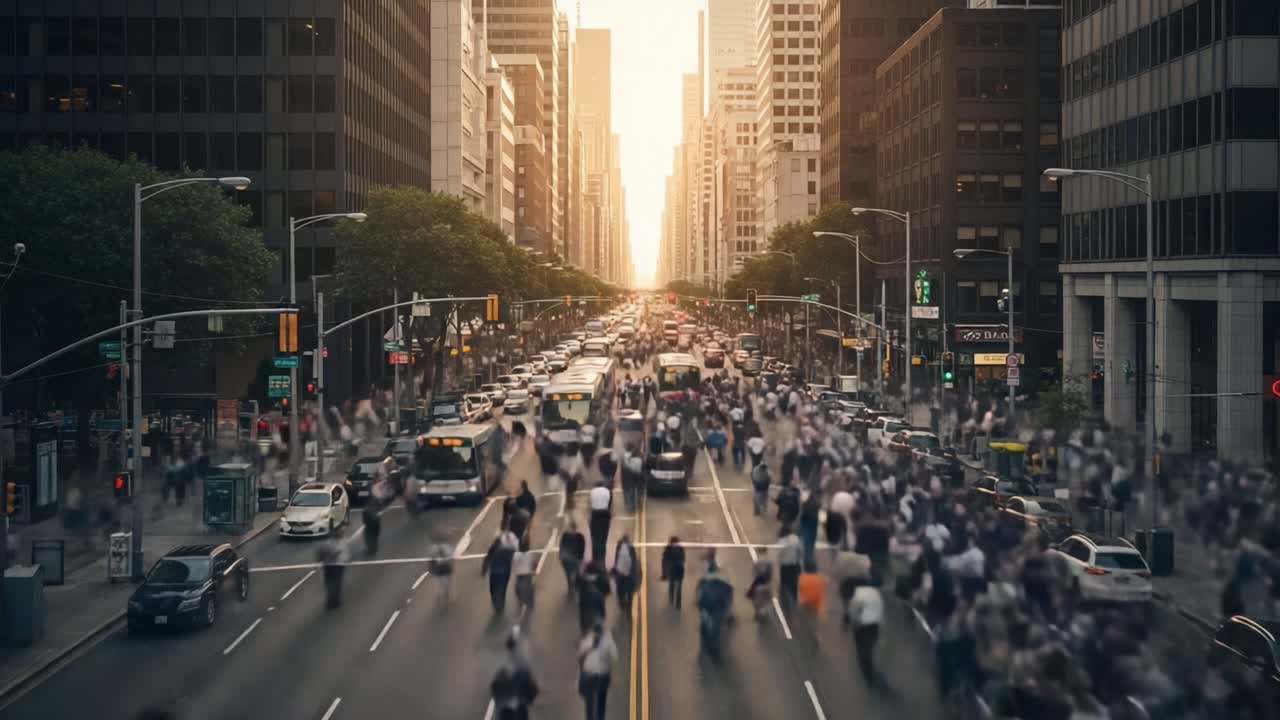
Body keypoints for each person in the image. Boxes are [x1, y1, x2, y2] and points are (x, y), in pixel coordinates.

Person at [490, 629, 539, 720]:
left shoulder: (500, 663)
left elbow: (494, 687)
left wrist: (499, 698)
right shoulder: (523, 664)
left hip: (504, 707)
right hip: (519, 707)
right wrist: (528, 699)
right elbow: (532, 688)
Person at [577, 622, 618, 720]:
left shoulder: (588, 638)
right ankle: (600, 718)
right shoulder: (607, 640)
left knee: (589, 703)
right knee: (601, 700)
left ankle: (590, 718)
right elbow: (615, 656)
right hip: (602, 675)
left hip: (589, 675)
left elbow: (580, 653)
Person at [695, 555, 734, 658]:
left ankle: (704, 644)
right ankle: (714, 649)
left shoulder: (704, 579)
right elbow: (729, 594)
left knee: (704, 625)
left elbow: (699, 593)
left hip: (706, 606)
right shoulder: (724, 579)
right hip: (719, 608)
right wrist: (728, 608)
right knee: (716, 628)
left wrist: (698, 603)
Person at [847, 578, 884, 683]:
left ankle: (864, 661)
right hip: (874, 624)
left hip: (862, 624)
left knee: (860, 644)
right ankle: (868, 658)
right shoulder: (876, 593)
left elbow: (853, 609)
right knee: (870, 644)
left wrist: (852, 622)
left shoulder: (858, 594)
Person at [482, 529, 519, 613]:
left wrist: (484, 569)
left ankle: (495, 602)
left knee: (493, 588)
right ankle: (501, 604)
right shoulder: (508, 549)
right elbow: (514, 557)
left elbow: (487, 558)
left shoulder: (494, 547)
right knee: (502, 589)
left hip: (494, 572)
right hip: (504, 572)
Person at [577, 560, 611, 632]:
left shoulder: (581, 579)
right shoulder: (602, 579)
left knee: (585, 623)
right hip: (598, 606)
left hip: (585, 607)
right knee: (598, 625)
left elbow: (576, 585)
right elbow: (608, 590)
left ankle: (585, 631)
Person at [613, 535, 640, 615]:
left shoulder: (623, 548)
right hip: (627, 575)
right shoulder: (628, 548)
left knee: (623, 592)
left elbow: (617, 560)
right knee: (627, 593)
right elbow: (633, 561)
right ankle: (627, 607)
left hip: (624, 575)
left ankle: (626, 606)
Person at [777, 526, 803, 607]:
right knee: (794, 582)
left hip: (785, 566)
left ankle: (784, 599)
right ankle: (794, 598)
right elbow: (800, 551)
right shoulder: (795, 539)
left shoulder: (781, 541)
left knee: (784, 582)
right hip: (794, 564)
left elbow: (779, 553)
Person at [588, 481, 612, 563]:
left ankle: (595, 559)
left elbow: (591, 504)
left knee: (594, 539)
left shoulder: (592, 491)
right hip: (605, 515)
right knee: (603, 539)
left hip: (595, 515)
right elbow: (609, 503)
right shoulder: (607, 491)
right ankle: (602, 559)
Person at [560, 520, 587, 594]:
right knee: (576, 572)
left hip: (565, 559)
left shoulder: (565, 535)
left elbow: (562, 546)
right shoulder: (579, 536)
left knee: (568, 573)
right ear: (575, 528)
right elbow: (582, 548)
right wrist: (580, 558)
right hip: (575, 558)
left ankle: (570, 587)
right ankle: (577, 587)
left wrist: (561, 557)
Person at [319, 540, 347, 609]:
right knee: (333, 583)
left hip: (335, 565)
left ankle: (333, 601)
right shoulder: (337, 542)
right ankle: (334, 601)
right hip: (333, 565)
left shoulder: (339, 542)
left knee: (333, 583)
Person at [660, 536, 686, 608]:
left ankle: (673, 600)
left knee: (673, 585)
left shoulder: (668, 548)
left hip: (674, 570)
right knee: (677, 587)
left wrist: (664, 573)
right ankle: (677, 603)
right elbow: (683, 559)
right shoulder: (680, 548)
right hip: (678, 570)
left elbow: (664, 560)